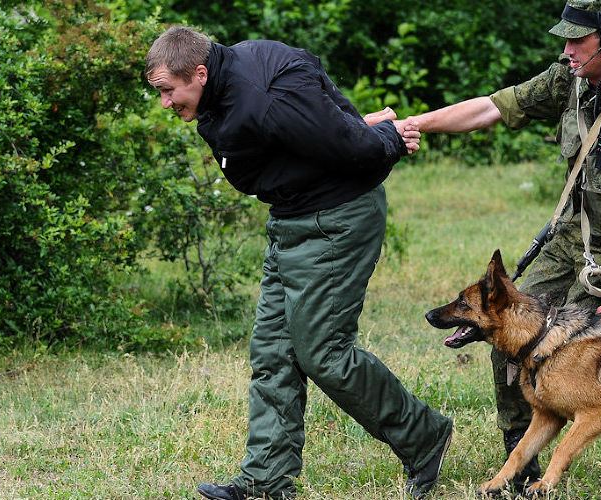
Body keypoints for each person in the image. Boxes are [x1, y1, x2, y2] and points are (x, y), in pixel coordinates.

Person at [144, 26, 452, 500]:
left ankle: (423, 435)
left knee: (323, 352)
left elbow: (353, 151)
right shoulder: (229, 88)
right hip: (290, 219)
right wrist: (363, 126)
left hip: (336, 219)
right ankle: (266, 481)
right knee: (272, 352)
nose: (165, 103)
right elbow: (323, 130)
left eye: (168, 91)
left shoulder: (261, 98)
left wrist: (384, 138)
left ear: (200, 73)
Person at [403, 1, 601, 498]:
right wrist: (414, 123)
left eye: (577, 40)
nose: (566, 49)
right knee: (504, 326)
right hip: (570, 241)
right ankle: (523, 456)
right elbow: (494, 105)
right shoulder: (571, 78)